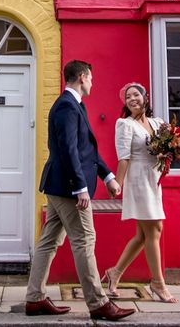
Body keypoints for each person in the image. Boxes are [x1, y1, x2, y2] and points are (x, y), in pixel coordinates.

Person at [25, 60, 136, 321]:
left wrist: (107, 175)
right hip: (68, 188)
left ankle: (35, 299)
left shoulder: (74, 105)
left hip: (59, 186)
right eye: (91, 78)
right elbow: (68, 150)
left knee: (49, 241)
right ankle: (98, 303)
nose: (93, 83)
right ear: (83, 77)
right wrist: (81, 188)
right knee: (85, 239)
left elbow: (87, 150)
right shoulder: (67, 105)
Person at [100, 82, 177, 303]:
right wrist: (117, 183)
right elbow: (124, 157)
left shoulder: (158, 123)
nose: (132, 99)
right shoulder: (124, 124)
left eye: (136, 95)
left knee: (143, 235)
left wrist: (174, 150)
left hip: (154, 179)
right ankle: (158, 284)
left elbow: (168, 148)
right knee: (154, 229)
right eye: (128, 97)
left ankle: (115, 273)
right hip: (138, 180)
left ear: (145, 97)